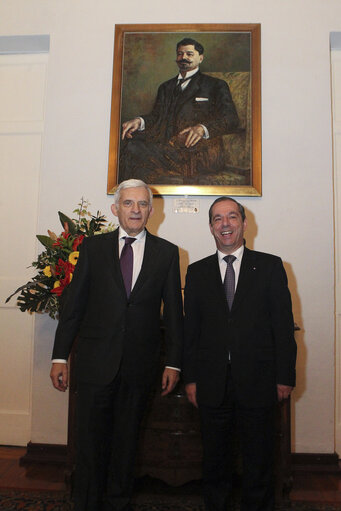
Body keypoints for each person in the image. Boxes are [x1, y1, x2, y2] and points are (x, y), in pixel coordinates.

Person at [50, 179, 183, 511]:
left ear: (152, 211)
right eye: (128, 203)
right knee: (90, 445)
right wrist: (59, 356)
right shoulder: (93, 248)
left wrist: (174, 362)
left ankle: (118, 503)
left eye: (141, 204)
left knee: (127, 446)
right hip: (95, 364)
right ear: (115, 209)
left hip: (140, 366)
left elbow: (175, 314)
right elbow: (74, 306)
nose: (135, 210)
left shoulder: (167, 253)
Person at [183, 196, 297, 511]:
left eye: (232, 217)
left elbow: (283, 329)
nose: (225, 224)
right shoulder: (196, 272)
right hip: (211, 383)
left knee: (259, 463)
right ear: (210, 227)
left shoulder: (271, 267)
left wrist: (285, 377)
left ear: (244, 223)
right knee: (215, 463)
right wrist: (190, 378)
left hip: (259, 382)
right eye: (218, 219)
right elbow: (190, 332)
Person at [119, 38, 240, 184]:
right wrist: (140, 121)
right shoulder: (166, 87)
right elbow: (157, 117)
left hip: (201, 152)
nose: (183, 58)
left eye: (189, 54)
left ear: (200, 58)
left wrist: (203, 129)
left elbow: (231, 118)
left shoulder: (215, 85)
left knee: (136, 150)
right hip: (168, 149)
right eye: (180, 54)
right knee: (131, 143)